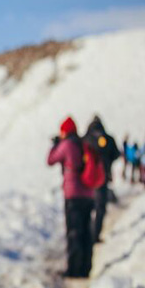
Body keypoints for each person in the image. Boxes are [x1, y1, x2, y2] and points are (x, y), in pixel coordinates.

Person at [48, 116, 95, 278]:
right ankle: (86, 268)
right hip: (89, 193)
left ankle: (74, 270)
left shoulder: (66, 145)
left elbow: (51, 159)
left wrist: (56, 144)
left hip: (73, 194)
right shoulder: (82, 143)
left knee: (74, 232)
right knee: (86, 232)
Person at [84, 115, 120, 243]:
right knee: (100, 207)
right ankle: (95, 235)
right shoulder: (108, 138)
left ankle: (87, 234)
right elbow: (117, 154)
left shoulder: (85, 139)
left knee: (86, 208)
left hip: (86, 181)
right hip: (102, 178)